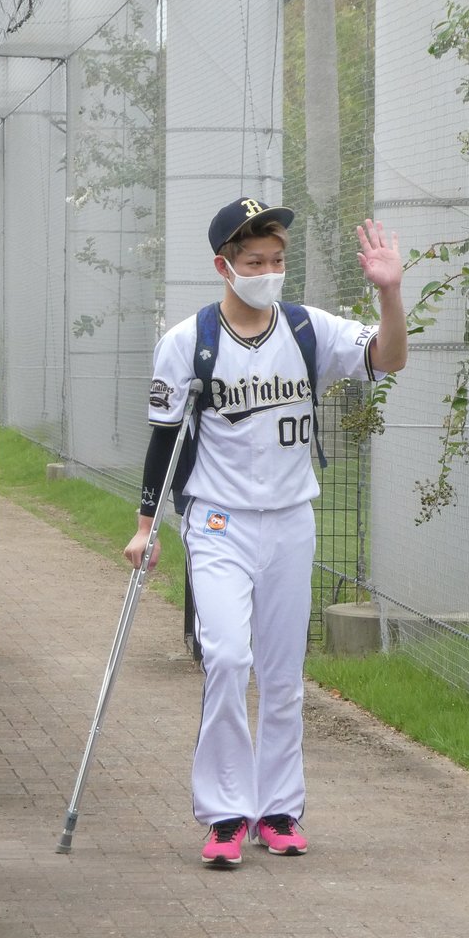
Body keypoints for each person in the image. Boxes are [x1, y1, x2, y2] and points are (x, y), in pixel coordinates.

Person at [124, 196, 406, 866]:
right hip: (217, 520)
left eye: (277, 260)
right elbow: (163, 440)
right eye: (254, 261)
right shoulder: (188, 342)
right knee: (226, 658)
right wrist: (145, 527)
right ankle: (226, 813)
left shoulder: (308, 329)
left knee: (282, 673)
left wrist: (390, 292)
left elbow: (389, 359)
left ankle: (278, 809)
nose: (269, 272)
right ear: (224, 266)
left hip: (289, 522)